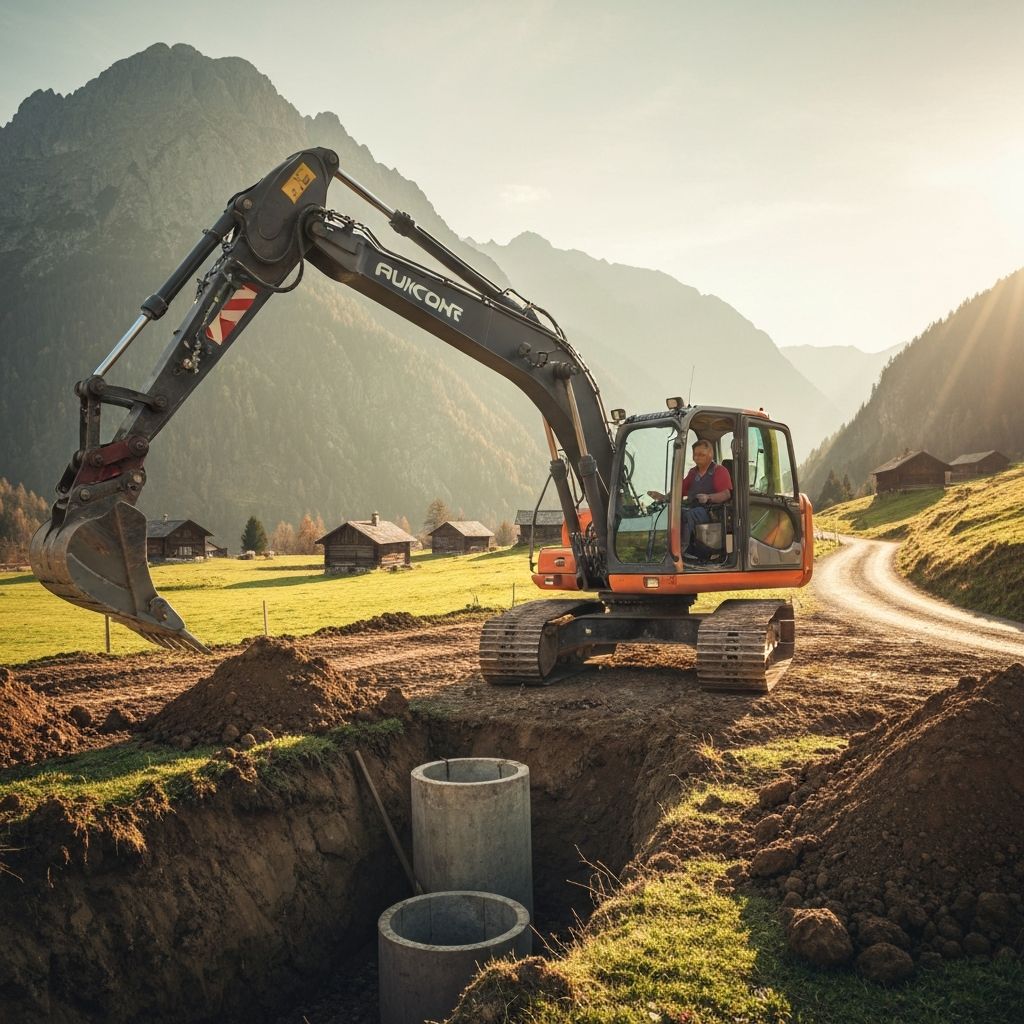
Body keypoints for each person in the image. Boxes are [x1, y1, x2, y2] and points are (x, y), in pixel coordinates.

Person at [648, 438, 732, 560]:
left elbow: (726, 494)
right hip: (695, 508)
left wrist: (708, 497)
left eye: (701, 455)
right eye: (695, 455)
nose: (697, 458)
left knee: (692, 513)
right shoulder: (693, 473)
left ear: (710, 455)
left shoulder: (719, 471)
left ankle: (685, 549)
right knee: (675, 512)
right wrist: (663, 497)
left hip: (712, 513)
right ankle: (666, 549)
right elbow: (680, 490)